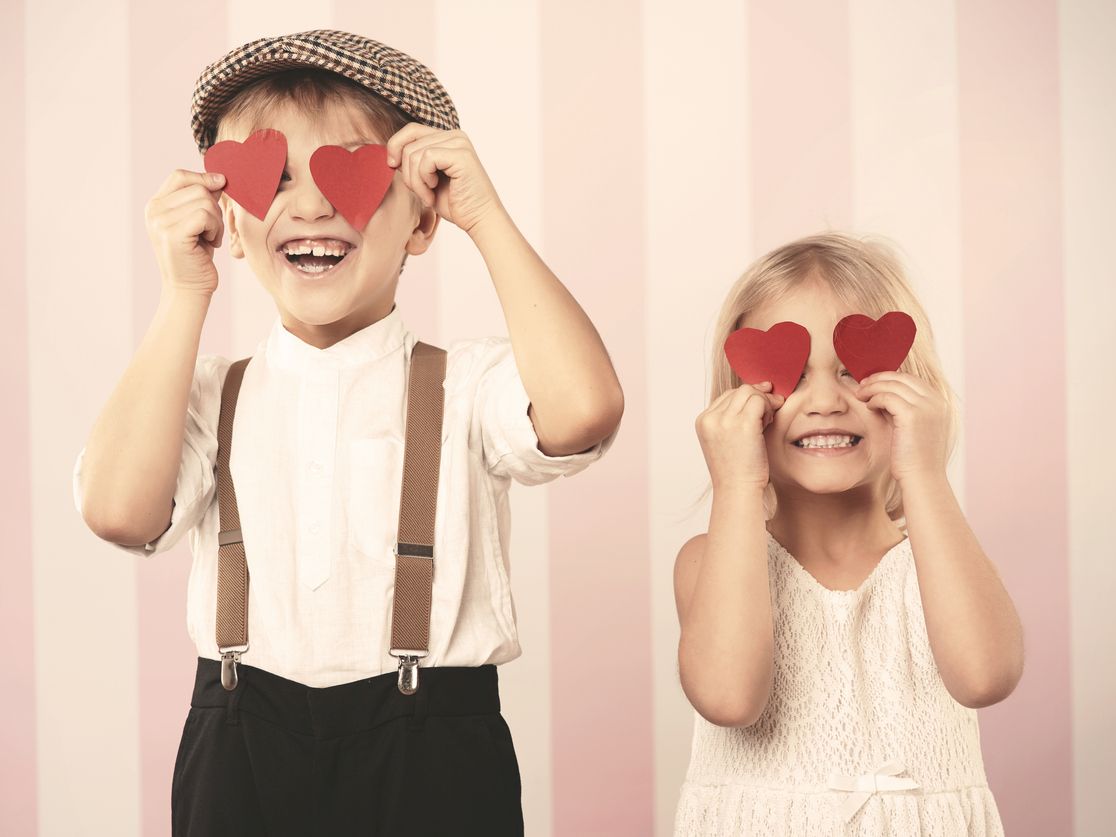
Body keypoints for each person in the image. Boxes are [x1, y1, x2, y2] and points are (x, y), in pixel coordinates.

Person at [73, 30, 622, 837]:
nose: (311, 202)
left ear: (421, 222)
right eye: (275, 177)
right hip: (238, 750)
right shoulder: (204, 394)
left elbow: (583, 409)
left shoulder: (465, 385)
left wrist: (484, 215)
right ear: (229, 218)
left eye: (348, 172)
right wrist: (183, 291)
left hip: (436, 754)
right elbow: (118, 508)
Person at [672, 233, 1021, 835]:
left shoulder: (941, 562)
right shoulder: (711, 561)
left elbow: (986, 677)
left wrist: (923, 472)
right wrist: (735, 485)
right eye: (790, 374)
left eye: (857, 370)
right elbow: (728, 699)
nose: (827, 401)